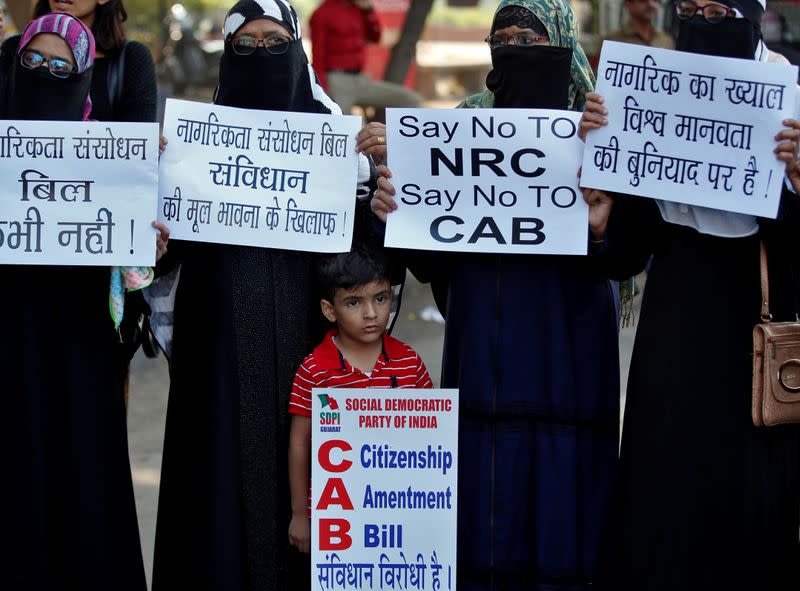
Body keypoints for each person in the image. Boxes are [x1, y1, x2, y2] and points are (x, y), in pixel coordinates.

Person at [366, 0, 621, 588]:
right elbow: (432, 257)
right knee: (485, 484)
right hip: (485, 336)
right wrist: (394, 215)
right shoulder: (462, 123)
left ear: (559, 41)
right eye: (500, 36)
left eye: (528, 37)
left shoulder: (594, 129)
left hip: (567, 337)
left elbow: (628, 248)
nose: (512, 47)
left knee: (563, 479)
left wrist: (606, 227)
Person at [151, 1, 374, 589]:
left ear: (298, 50)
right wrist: (155, 220)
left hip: (308, 341)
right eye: (244, 45)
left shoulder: (338, 147)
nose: (260, 56)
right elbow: (167, 251)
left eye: (274, 42)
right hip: (216, 345)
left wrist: (373, 187)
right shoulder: (195, 144)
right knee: (218, 478)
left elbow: (372, 261)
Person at [580, 1, 800, 588]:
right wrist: (605, 212)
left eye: (718, 8)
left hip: (749, 329)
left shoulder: (789, 100)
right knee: (665, 484)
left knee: (743, 496)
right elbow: (631, 250)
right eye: (690, 8)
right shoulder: (655, 94)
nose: (702, 20)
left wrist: (796, 183)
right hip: (673, 330)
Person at [0, 13, 167, 591]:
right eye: (33, 63)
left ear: (82, 74)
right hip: (11, 338)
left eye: (60, 65)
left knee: (85, 469)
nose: (45, 73)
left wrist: (148, 239)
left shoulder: (112, 154)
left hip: (85, 337)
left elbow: (141, 269)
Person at [286, 245, 433, 553]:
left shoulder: (410, 364)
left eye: (380, 298)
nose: (370, 313)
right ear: (329, 310)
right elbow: (300, 443)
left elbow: (433, 440)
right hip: (336, 519)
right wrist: (300, 514)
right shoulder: (314, 371)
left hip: (400, 512)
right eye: (354, 302)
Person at [0, 1, 157, 122]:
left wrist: (149, 145)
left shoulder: (132, 58)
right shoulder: (12, 48)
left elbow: (138, 138)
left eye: (60, 66)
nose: (44, 67)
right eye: (32, 59)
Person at [309, 0, 419, 117]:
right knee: (349, 128)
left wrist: (368, 10)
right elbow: (318, 56)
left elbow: (376, 36)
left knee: (411, 99)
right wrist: (322, 91)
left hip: (360, 79)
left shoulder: (359, 8)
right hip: (337, 82)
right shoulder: (322, 13)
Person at [602, 0, 674, 49]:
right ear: (628, 4)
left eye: (655, 0)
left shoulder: (667, 41)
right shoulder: (611, 40)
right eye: (643, 0)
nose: (650, 4)